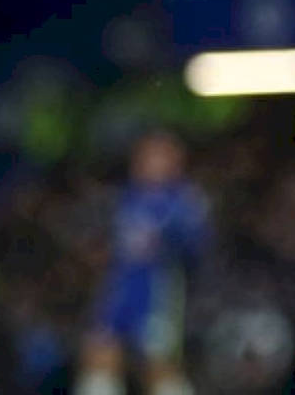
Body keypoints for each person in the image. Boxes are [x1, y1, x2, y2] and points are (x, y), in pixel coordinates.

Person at [76, 129, 210, 395]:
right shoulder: (123, 197)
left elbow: (196, 249)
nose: (148, 161)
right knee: (99, 354)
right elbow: (101, 244)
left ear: (175, 160)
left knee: (158, 366)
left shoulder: (184, 201)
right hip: (119, 289)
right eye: (144, 154)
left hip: (158, 291)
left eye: (158, 154)